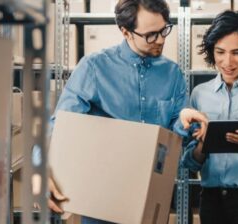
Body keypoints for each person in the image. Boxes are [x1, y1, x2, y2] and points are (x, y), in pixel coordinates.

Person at [48, 0, 194, 223]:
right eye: (151, 35)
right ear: (125, 31)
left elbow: (174, 137)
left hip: (153, 194)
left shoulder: (172, 74)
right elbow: (60, 126)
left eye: (164, 30)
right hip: (104, 198)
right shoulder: (94, 68)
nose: (162, 40)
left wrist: (183, 123)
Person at [180, 10, 238, 224]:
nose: (227, 61)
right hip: (212, 202)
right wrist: (202, 144)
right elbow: (190, 164)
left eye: (237, 52)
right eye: (220, 52)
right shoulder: (199, 94)